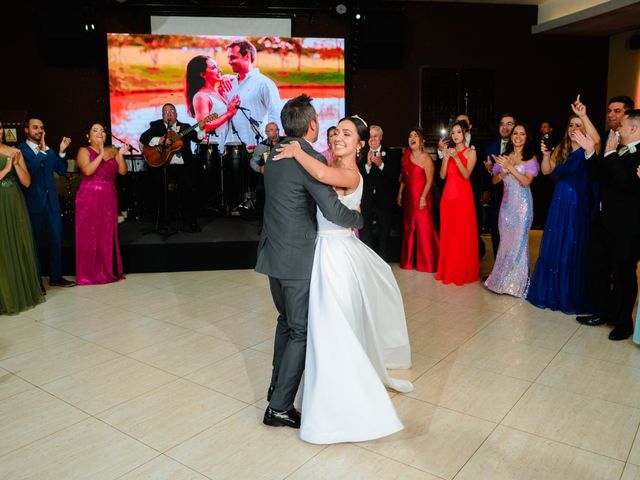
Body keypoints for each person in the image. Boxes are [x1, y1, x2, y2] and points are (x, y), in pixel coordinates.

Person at [273, 114, 413, 444]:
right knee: (321, 329)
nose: (338, 137)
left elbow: (321, 174)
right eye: (336, 132)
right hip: (320, 252)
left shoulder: (348, 173)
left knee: (332, 328)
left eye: (347, 135)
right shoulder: (330, 165)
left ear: (361, 145)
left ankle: (343, 403)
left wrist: (296, 151)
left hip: (335, 258)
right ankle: (320, 394)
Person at [255, 94, 363, 430]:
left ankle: (277, 387)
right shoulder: (308, 157)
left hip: (272, 254)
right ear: (313, 125)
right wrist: (359, 220)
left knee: (285, 322)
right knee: (301, 330)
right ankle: (279, 407)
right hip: (297, 259)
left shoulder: (272, 153)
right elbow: (332, 210)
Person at [527, 96, 600, 314]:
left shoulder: (590, 147)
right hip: (559, 201)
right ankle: (552, 291)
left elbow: (596, 138)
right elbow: (547, 170)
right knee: (554, 243)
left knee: (571, 243)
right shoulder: (561, 148)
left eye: (578, 125)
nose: (574, 128)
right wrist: (546, 155)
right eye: (571, 125)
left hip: (578, 201)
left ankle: (568, 292)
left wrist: (583, 115)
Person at [580, 110, 640, 340]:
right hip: (603, 222)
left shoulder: (631, 153)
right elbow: (598, 176)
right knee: (595, 269)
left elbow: (626, 183)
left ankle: (623, 323)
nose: (617, 129)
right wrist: (589, 152)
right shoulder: (616, 152)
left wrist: (610, 153)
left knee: (623, 276)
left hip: (627, 229)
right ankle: (605, 312)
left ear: (634, 128)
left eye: (622, 124)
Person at [17, 117, 75, 290]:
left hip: (52, 204)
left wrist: (62, 152)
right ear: (26, 130)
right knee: (33, 243)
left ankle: (55, 277)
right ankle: (35, 280)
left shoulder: (48, 150)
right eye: (35, 127)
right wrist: (42, 152)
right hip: (33, 203)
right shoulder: (20, 150)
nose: (39, 130)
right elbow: (30, 171)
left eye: (41, 127)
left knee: (56, 240)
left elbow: (61, 170)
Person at [484, 124, 539, 297]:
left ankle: (516, 284)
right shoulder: (505, 157)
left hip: (523, 208)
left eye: (522, 134)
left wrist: (511, 168)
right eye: (516, 133)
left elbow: (526, 181)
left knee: (519, 245)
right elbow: (494, 181)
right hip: (506, 207)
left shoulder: (531, 159)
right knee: (505, 244)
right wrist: (502, 172)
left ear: (526, 138)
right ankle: (501, 281)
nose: (518, 136)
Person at [75, 123, 128, 285]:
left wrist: (121, 154)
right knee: (89, 234)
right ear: (88, 136)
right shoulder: (84, 151)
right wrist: (101, 154)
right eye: (95, 130)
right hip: (89, 197)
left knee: (106, 233)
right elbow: (87, 171)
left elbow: (123, 171)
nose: (100, 133)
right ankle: (88, 273)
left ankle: (107, 270)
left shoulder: (113, 150)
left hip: (108, 197)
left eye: (102, 131)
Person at [0, 121, 45, 314]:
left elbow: (26, 182)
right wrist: (6, 168)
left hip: (14, 201)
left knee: (16, 244)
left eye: (0, 127)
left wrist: (17, 165)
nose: (0, 131)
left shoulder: (12, 150)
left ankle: (18, 293)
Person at [139, 103, 205, 233]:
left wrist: (202, 129)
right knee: (160, 190)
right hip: (165, 166)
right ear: (163, 115)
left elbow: (197, 138)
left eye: (172, 111)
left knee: (189, 190)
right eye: (165, 112)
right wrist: (159, 141)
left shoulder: (185, 127)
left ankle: (189, 222)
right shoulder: (156, 126)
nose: (169, 113)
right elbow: (144, 138)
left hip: (183, 167)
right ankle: (163, 223)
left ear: (176, 114)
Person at [436, 120, 479, 285]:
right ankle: (449, 270)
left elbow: (466, 174)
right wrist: (446, 158)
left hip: (463, 197)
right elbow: (441, 175)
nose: (455, 135)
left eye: (458, 132)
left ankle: (462, 270)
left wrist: (457, 158)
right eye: (453, 133)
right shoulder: (449, 151)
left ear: (465, 134)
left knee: (462, 233)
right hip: (448, 197)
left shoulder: (471, 152)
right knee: (449, 234)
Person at [223, 39, 282, 147]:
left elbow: (276, 116)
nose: (229, 62)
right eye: (229, 58)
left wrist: (269, 146)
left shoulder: (264, 83)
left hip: (255, 150)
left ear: (247, 57)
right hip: (230, 151)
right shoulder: (229, 84)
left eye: (233, 57)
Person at [397, 127, 439, 272]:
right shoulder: (406, 156)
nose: (412, 138)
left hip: (422, 197)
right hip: (409, 197)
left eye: (415, 136)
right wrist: (400, 193)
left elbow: (430, 180)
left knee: (424, 229)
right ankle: (408, 262)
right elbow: (404, 178)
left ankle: (427, 264)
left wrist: (422, 197)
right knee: (409, 228)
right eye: (410, 136)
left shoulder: (426, 158)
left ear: (421, 141)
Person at [359, 124, 400, 260]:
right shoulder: (361, 153)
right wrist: (368, 166)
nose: (372, 139)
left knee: (384, 235)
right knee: (366, 234)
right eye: (370, 136)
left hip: (385, 202)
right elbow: (357, 176)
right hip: (367, 202)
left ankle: (382, 264)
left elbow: (395, 176)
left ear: (381, 137)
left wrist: (381, 164)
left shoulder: (391, 153)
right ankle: (367, 263)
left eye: (375, 136)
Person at [185, 55, 241, 151]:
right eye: (213, 68)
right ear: (202, 74)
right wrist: (229, 113)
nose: (219, 70)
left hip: (223, 147)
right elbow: (204, 125)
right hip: (209, 151)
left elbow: (240, 80)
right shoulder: (201, 96)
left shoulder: (217, 91)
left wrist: (227, 77)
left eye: (217, 66)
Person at [482, 113, 517, 258]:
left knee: (513, 235)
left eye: (509, 123)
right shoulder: (491, 148)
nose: (505, 127)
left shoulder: (520, 148)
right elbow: (488, 176)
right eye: (502, 124)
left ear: (515, 126)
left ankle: (513, 273)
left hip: (516, 198)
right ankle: (497, 272)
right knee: (496, 234)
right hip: (497, 197)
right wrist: (491, 171)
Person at [249, 122, 281, 214]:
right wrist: (260, 169)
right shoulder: (262, 146)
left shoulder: (285, 142)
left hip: (283, 176)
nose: (274, 133)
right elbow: (253, 161)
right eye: (271, 130)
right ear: (266, 132)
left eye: (276, 130)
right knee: (260, 188)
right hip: (268, 177)